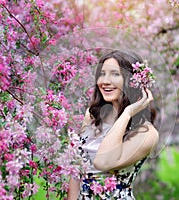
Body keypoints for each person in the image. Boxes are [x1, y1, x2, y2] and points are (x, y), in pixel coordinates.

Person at [68, 50, 159, 200]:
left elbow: (103, 161)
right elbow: (76, 169)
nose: (105, 81)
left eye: (115, 74)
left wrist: (128, 112)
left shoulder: (146, 133)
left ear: (132, 81)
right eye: (102, 74)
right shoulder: (91, 117)